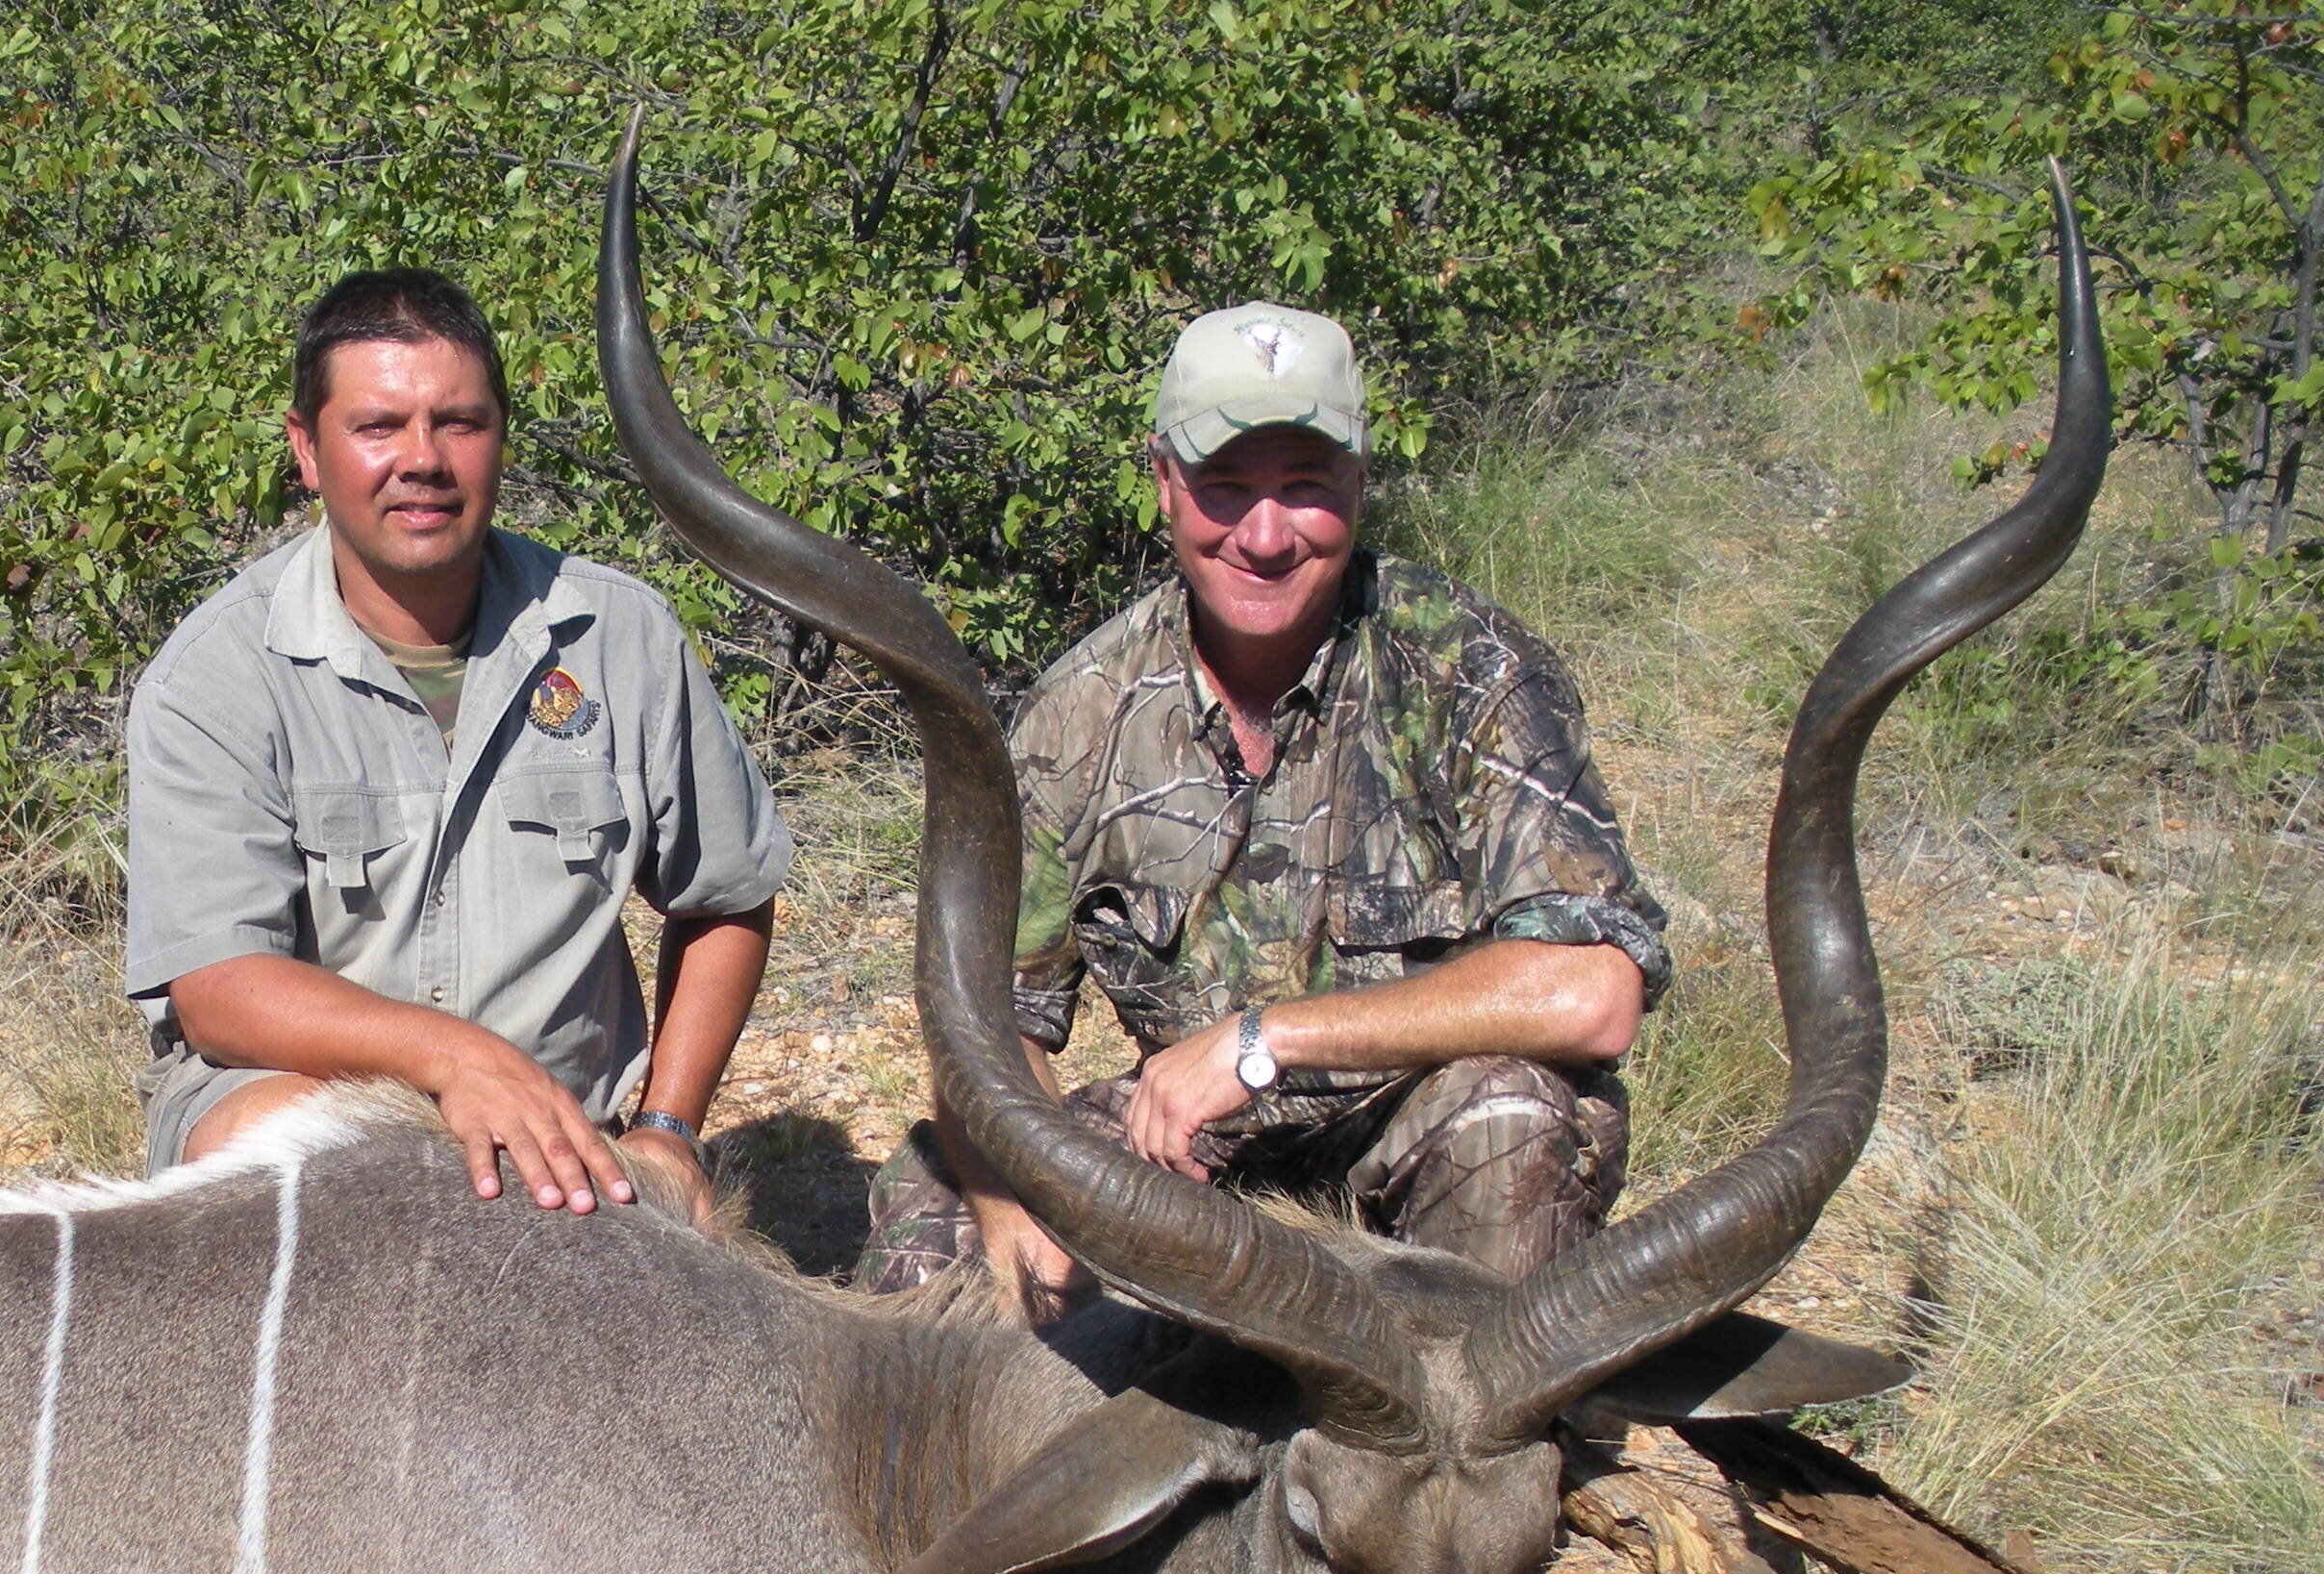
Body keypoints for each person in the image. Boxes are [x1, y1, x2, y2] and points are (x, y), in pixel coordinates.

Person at [861, 299, 1671, 1318]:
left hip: (1413, 1141)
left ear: (1361, 485)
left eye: (1305, 488)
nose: (1265, 535)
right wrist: (1023, 1196)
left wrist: (1266, 1039)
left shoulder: (1471, 672)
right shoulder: (1079, 713)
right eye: (1226, 488)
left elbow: (1593, 993)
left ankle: (1479, 1454)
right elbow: (995, 1019)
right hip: (1198, 1166)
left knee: (1512, 1115)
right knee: (938, 1200)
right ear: (1164, 483)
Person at [122, 268, 789, 1217]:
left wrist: (669, 1130)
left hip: (563, 1136)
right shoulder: (219, 672)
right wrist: (458, 1063)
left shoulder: (621, 635)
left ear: (500, 441)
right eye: (379, 426)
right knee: (310, 1159)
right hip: (307, 1103)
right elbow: (220, 993)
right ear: (307, 451)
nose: (422, 459)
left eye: (459, 423)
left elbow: (727, 895)